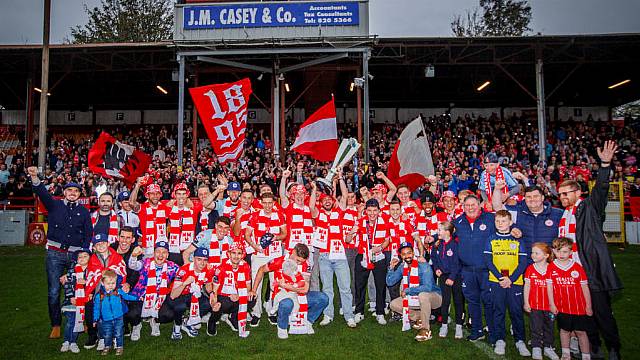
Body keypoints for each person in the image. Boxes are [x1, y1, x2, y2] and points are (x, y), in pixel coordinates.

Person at [556, 140, 623, 360]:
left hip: (590, 270)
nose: (563, 197)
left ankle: (613, 347)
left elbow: (602, 190)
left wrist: (605, 166)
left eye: (567, 193)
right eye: (561, 194)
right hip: (571, 272)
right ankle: (594, 347)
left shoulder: (589, 208)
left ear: (578, 192)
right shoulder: (563, 213)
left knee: (602, 312)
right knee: (584, 314)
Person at [28, 166, 92, 339]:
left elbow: (88, 235)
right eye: (69, 190)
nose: (72, 193)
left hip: (75, 256)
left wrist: (84, 255)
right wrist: (34, 176)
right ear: (64, 192)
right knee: (54, 291)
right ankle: (55, 324)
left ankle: (82, 320)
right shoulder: (54, 204)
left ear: (80, 194)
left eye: (76, 191)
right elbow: (41, 191)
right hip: (54, 254)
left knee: (80, 289)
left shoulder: (84, 212)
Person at [251, 244, 329, 339]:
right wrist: (254, 290)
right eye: (298, 260)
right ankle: (282, 327)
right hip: (282, 295)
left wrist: (285, 285)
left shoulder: (306, 264)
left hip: (298, 295)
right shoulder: (279, 261)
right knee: (287, 303)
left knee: (323, 298)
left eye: (302, 261)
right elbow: (261, 269)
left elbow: (305, 289)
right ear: (293, 252)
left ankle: (308, 321)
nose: (299, 263)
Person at [310, 173, 356, 328]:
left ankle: (349, 316)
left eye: (330, 199)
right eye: (324, 200)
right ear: (321, 203)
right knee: (327, 288)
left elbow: (344, 195)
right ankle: (328, 315)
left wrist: (341, 178)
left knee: (345, 287)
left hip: (340, 255)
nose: (327, 201)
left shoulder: (339, 213)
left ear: (332, 201)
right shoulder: (319, 214)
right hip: (323, 256)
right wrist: (314, 189)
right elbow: (311, 207)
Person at [483, 210, 530, 356]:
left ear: (510, 223)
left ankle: (520, 340)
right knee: (499, 311)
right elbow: (488, 261)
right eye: (497, 221)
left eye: (503, 221)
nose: (500, 224)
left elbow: (522, 262)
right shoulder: (491, 239)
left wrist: (511, 278)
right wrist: (501, 278)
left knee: (516, 312)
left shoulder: (517, 239)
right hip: (496, 282)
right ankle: (500, 340)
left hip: (515, 282)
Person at [454, 194, 495, 342]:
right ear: (463, 207)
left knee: (489, 301)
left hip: (486, 269)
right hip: (467, 270)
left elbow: (506, 224)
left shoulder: (490, 219)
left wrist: (515, 230)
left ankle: (493, 331)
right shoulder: (458, 221)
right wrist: (433, 237)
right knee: (472, 301)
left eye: (473, 205)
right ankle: (477, 330)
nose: (470, 208)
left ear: (479, 205)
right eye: (467, 205)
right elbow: (446, 231)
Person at [346, 198, 391, 325]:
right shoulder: (360, 222)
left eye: (375, 210)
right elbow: (348, 240)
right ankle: (359, 312)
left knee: (380, 285)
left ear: (379, 211)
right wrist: (351, 233)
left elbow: (387, 240)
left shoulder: (385, 221)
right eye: (369, 211)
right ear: (365, 211)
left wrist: (380, 247)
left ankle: (380, 312)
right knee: (359, 285)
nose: (372, 213)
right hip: (363, 255)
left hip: (379, 255)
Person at [547, 237, 593, 360]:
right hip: (562, 307)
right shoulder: (551, 267)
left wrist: (588, 306)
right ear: (553, 251)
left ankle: (586, 355)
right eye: (558, 251)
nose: (561, 254)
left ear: (571, 252)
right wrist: (552, 304)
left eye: (565, 251)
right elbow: (549, 288)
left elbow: (584, 287)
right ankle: (566, 353)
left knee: (581, 332)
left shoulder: (577, 267)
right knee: (564, 330)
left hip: (579, 307)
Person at [244, 192, 287, 324]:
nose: (268, 205)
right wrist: (255, 246)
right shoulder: (255, 216)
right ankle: (256, 313)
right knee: (257, 284)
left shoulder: (279, 215)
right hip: (259, 255)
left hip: (275, 254)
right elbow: (247, 235)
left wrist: (276, 237)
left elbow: (284, 234)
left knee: (275, 284)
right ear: (261, 203)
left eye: (270, 203)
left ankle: (272, 311)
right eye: (265, 203)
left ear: (274, 203)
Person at [386, 242, 442, 342]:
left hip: (434, 297)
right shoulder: (403, 266)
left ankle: (425, 329)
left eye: (409, 253)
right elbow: (390, 282)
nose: (407, 256)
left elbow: (428, 287)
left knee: (423, 295)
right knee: (393, 305)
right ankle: (420, 317)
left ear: (413, 253)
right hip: (413, 298)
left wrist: (408, 290)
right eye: (404, 254)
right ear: (401, 256)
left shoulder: (423, 265)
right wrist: (391, 268)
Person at [492, 183, 563, 261]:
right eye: (529, 197)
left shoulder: (558, 214)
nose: (532, 199)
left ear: (542, 198)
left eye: (536, 196)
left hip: (550, 262)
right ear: (524, 199)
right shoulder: (518, 212)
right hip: (525, 263)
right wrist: (497, 189)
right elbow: (498, 208)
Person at [126, 240, 180, 340]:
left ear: (167, 255)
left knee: (168, 315)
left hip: (159, 299)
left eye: (164, 252)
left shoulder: (172, 267)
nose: (160, 255)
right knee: (131, 314)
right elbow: (132, 265)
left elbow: (184, 273)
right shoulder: (145, 263)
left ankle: (155, 321)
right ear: (154, 253)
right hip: (141, 297)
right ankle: (137, 325)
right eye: (158, 251)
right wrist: (133, 256)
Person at [83, 233, 127, 350]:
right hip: (98, 291)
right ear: (94, 247)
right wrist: (92, 292)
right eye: (98, 244)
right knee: (90, 308)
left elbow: (122, 272)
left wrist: (110, 276)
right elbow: (91, 276)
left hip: (113, 289)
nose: (101, 245)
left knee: (112, 307)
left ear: (108, 243)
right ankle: (94, 335)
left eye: (103, 243)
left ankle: (111, 336)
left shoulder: (117, 257)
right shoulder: (92, 260)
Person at [208, 241, 256, 337]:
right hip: (223, 296)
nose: (236, 256)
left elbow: (248, 285)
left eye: (239, 253)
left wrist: (240, 295)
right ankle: (212, 321)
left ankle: (234, 317)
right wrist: (214, 302)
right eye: (233, 253)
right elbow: (215, 289)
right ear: (229, 254)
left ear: (243, 255)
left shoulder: (246, 266)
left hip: (238, 294)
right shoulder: (221, 268)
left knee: (252, 298)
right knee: (221, 304)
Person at [165, 247, 214, 340]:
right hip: (178, 294)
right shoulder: (184, 270)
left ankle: (187, 322)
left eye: (205, 260)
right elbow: (173, 295)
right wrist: (185, 283)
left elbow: (207, 284)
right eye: (199, 259)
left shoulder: (207, 269)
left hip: (193, 295)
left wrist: (211, 293)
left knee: (207, 304)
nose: (202, 263)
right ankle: (177, 326)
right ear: (193, 258)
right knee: (180, 306)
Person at [524, 242, 560, 360]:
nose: (533, 255)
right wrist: (526, 302)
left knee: (549, 327)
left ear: (546, 255)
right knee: (535, 327)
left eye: (536, 253)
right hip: (535, 305)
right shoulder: (530, 269)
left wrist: (555, 304)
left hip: (549, 306)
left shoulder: (553, 268)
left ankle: (548, 347)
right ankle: (536, 347)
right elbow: (527, 286)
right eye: (532, 253)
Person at [430, 221, 464, 339]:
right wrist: (437, 268)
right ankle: (444, 324)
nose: (437, 232)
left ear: (448, 232)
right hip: (444, 276)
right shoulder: (437, 244)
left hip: (456, 277)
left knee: (458, 300)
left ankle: (459, 326)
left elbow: (457, 262)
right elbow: (433, 257)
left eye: (440, 230)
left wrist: (452, 277)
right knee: (445, 301)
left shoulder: (455, 244)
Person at [92, 270, 138, 356]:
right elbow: (97, 308)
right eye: (108, 283)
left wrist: (137, 298)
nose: (110, 286)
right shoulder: (99, 296)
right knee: (107, 333)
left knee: (118, 332)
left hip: (118, 317)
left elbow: (127, 296)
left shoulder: (118, 291)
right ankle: (107, 346)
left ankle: (119, 346)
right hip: (106, 319)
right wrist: (95, 318)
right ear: (102, 283)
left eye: (113, 283)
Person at [60, 248, 91, 354]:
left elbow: (92, 286)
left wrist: (86, 283)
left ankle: (73, 342)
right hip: (71, 301)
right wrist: (70, 296)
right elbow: (67, 284)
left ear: (90, 258)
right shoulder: (72, 271)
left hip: (83, 301)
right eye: (79, 257)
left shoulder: (90, 272)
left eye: (85, 256)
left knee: (78, 320)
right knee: (71, 321)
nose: (82, 259)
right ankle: (66, 341)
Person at [130, 179, 169, 258]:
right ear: (147, 195)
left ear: (160, 195)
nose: (155, 196)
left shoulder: (165, 206)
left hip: (162, 247)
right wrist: (138, 185)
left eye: (157, 193)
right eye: (152, 194)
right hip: (147, 247)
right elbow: (131, 203)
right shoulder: (142, 208)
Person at [166, 183, 197, 266]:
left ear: (187, 195)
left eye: (184, 194)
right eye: (179, 194)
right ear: (174, 195)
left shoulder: (194, 209)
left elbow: (206, 203)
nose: (181, 197)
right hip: (173, 249)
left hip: (188, 250)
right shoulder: (169, 208)